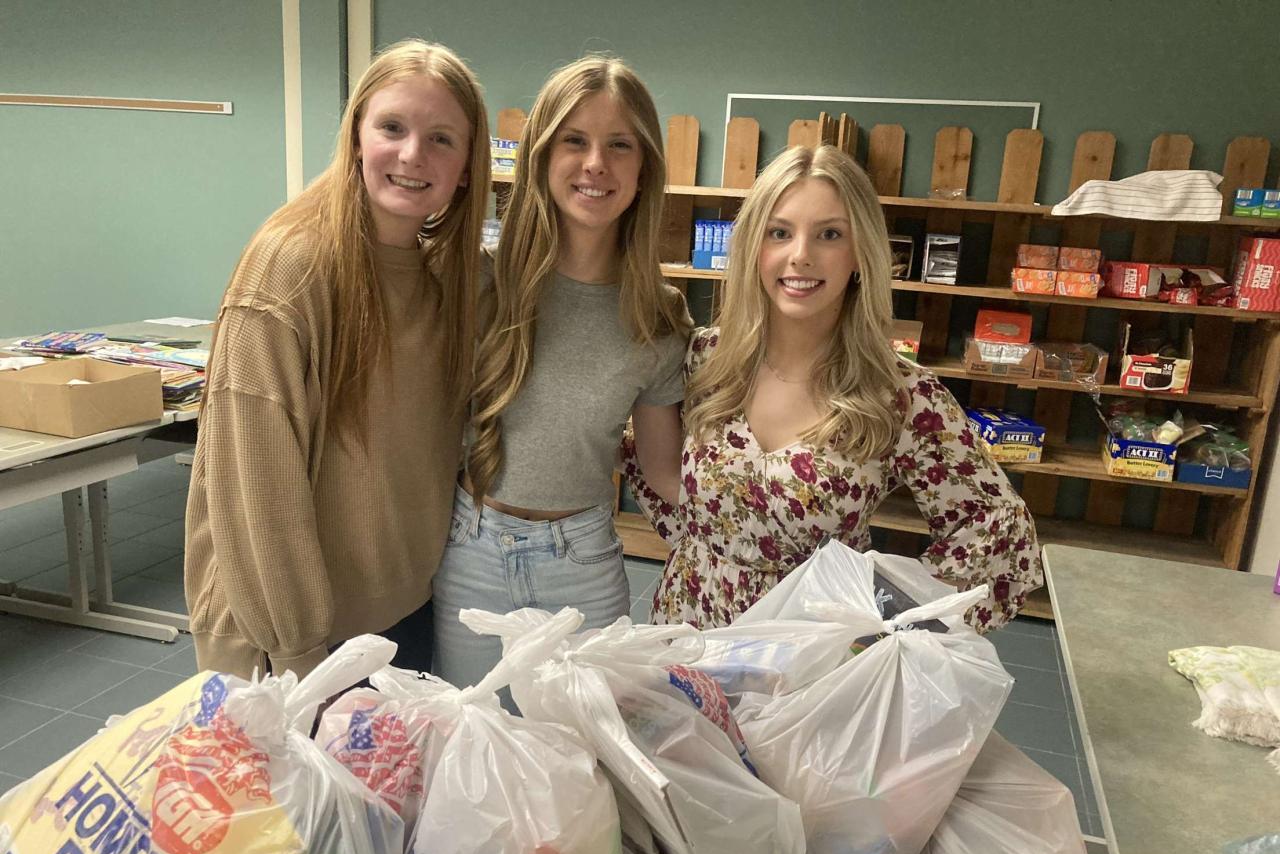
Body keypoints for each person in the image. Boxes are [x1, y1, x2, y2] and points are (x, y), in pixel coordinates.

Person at [624, 145, 1042, 631]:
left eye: (829, 234)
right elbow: (654, 467)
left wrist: (898, 627)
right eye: (779, 232)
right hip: (686, 634)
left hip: (812, 656)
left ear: (861, 252)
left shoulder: (903, 397)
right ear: (754, 247)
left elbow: (997, 528)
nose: (801, 255)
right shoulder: (703, 359)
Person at [185, 40, 490, 679]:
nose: (412, 154)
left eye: (441, 138)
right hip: (293, 639)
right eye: (392, 127)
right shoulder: (289, 267)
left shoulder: (449, 279)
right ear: (355, 138)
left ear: (467, 166)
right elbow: (255, 483)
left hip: (402, 614)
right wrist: (298, 652)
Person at [431, 56, 691, 690]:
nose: (595, 163)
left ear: (644, 168)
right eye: (574, 140)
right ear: (542, 157)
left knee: (584, 745)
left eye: (619, 145)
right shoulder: (477, 279)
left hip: (584, 564)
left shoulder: (658, 315)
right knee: (474, 736)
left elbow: (664, 472)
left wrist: (778, 520)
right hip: (469, 551)